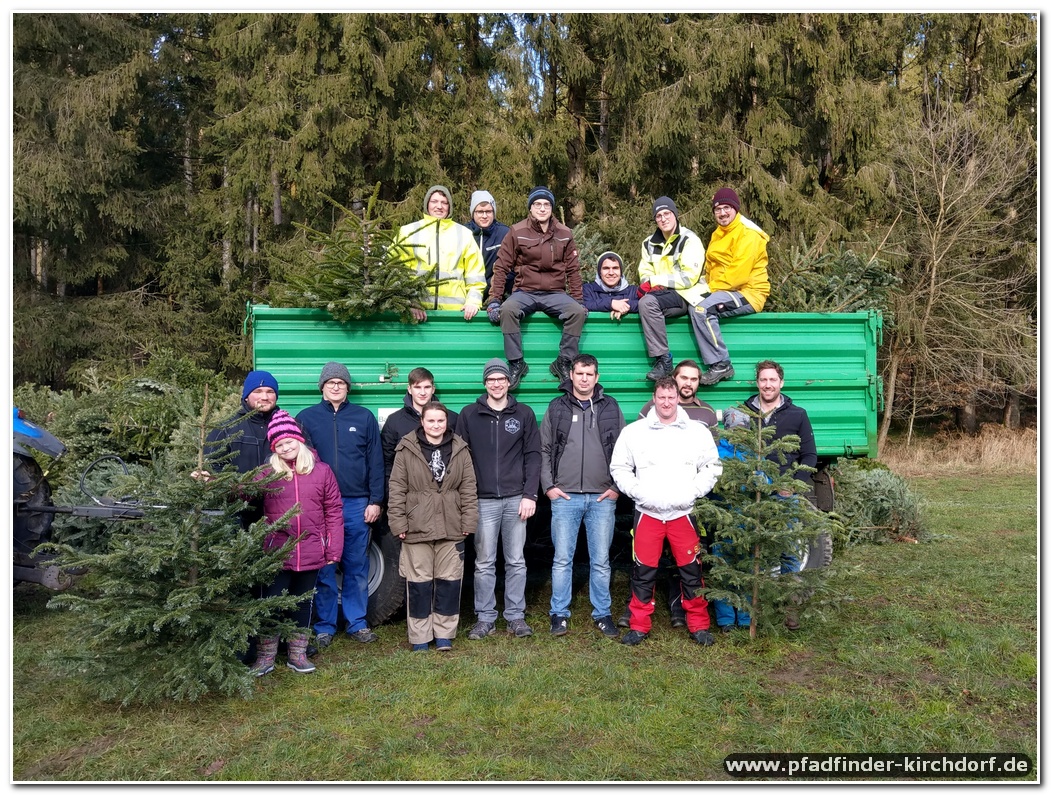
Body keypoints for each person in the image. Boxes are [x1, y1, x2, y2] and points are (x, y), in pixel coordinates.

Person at [609, 377, 722, 647]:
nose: (667, 402)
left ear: (677, 398)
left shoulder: (696, 431)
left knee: (692, 571)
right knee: (643, 572)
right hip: (648, 514)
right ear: (654, 398)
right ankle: (638, 625)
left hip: (684, 514)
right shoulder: (635, 431)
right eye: (662, 397)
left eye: (671, 398)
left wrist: (692, 492)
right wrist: (638, 492)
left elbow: (712, 466)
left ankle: (699, 625)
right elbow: (619, 467)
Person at [296, 362, 384, 649]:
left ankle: (357, 623)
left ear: (348, 388)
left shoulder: (364, 417)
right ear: (322, 387)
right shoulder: (306, 418)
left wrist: (375, 500)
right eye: (331, 382)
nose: (336, 386)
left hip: (357, 503)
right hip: (318, 505)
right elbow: (297, 462)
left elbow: (376, 461)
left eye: (341, 383)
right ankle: (324, 626)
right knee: (323, 567)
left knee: (356, 564)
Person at [250, 410, 344, 676]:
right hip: (277, 551)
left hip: (312, 549)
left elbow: (334, 511)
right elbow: (244, 490)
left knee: (303, 602)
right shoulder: (268, 473)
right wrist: (213, 482)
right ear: (274, 448)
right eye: (279, 444)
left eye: (289, 441)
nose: (286, 447)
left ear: (299, 440)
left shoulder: (322, 471)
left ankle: (297, 654)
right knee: (271, 601)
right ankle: (265, 656)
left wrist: (333, 548)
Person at [540, 353, 625, 639]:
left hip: (602, 498)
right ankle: (559, 614)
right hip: (565, 498)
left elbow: (624, 452)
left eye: (589, 374)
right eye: (579, 373)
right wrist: (549, 487)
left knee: (600, 560)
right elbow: (545, 449)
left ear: (596, 377)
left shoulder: (611, 407)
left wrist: (616, 488)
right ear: (572, 376)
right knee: (562, 560)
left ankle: (602, 614)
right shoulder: (557, 406)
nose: (584, 378)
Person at [458, 358, 542, 641]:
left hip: (516, 498)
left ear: (509, 382)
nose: (496, 384)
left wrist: (530, 494)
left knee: (516, 560)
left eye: (501, 379)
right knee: (483, 561)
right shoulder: (469, 415)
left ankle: (516, 616)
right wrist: (466, 497)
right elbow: (461, 460)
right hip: (483, 501)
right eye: (491, 379)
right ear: (485, 383)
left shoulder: (524, 414)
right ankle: (485, 617)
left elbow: (533, 455)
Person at [387, 402, 478, 651]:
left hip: (452, 525)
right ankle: (420, 637)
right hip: (417, 525)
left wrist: (469, 521)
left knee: (449, 582)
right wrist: (398, 522)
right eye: (431, 421)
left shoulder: (460, 449)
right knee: (419, 584)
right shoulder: (406, 449)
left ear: (446, 422)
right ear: (422, 422)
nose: (436, 425)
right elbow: (396, 489)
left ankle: (445, 633)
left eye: (440, 420)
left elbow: (468, 488)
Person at [486, 186, 587, 389]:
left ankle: (563, 362)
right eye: (537, 204)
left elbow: (573, 270)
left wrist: (578, 301)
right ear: (531, 208)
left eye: (546, 204)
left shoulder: (565, 233)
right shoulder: (517, 231)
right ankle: (516, 363)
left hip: (555, 293)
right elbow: (502, 266)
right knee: (508, 309)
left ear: (552, 208)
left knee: (577, 312)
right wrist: (495, 299)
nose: (542, 208)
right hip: (525, 291)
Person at [742, 359, 818, 630]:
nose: (768, 384)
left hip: (784, 493)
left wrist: (794, 484)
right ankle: (750, 608)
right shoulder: (745, 412)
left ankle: (789, 606)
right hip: (750, 493)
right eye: (763, 380)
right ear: (757, 383)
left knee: (787, 551)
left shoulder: (797, 414)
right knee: (747, 549)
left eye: (772, 380)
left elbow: (809, 455)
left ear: (781, 383)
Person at [693, 187, 771, 386]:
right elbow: (711, 266)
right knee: (692, 305)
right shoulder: (718, 234)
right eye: (717, 209)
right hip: (723, 290)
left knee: (702, 309)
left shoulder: (749, 234)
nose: (722, 213)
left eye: (727, 208)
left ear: (736, 209)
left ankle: (721, 363)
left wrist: (709, 290)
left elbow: (739, 273)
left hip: (747, 292)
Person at [636, 196, 710, 381]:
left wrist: (657, 281)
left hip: (685, 294)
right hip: (660, 293)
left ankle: (664, 360)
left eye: (667, 213)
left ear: (675, 215)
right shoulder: (648, 243)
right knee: (644, 302)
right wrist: (649, 283)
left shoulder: (689, 239)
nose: (663, 218)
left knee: (647, 303)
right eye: (658, 215)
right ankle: (664, 359)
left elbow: (689, 278)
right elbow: (644, 270)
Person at [394, 185, 486, 323]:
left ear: (449, 206)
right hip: (417, 314)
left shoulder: (464, 234)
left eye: (444, 202)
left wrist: (473, 302)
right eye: (434, 202)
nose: (439, 206)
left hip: (456, 316)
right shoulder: (408, 232)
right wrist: (408, 303)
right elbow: (395, 272)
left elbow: (475, 275)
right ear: (427, 204)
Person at [380, 367, 460, 487]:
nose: (422, 392)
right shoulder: (395, 421)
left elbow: (461, 460)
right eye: (417, 387)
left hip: (445, 496)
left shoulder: (451, 419)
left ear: (433, 389)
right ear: (409, 389)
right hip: (410, 497)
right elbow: (387, 462)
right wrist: (390, 496)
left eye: (427, 387)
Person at [465, 190, 514, 304]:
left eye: (488, 211)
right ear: (473, 213)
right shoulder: (464, 232)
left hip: (498, 295)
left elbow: (512, 268)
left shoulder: (505, 233)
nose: (485, 216)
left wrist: (493, 286)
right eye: (480, 212)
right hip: (467, 295)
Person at [582, 251, 639, 320]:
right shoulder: (588, 289)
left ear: (621, 272)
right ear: (599, 272)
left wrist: (623, 307)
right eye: (606, 268)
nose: (611, 273)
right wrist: (610, 303)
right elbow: (584, 304)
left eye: (615, 268)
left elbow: (645, 304)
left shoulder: (633, 291)